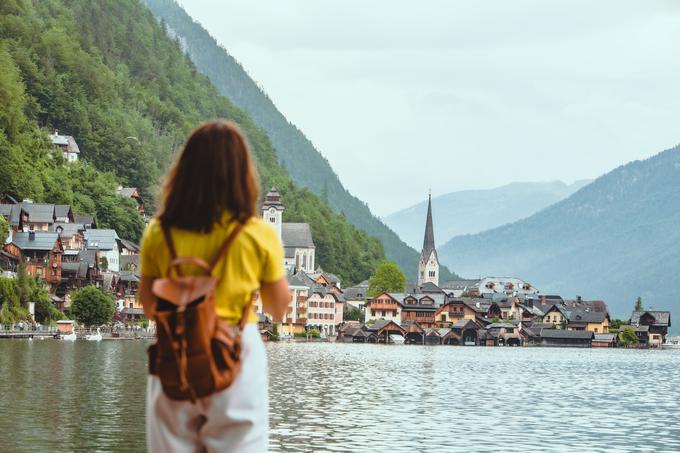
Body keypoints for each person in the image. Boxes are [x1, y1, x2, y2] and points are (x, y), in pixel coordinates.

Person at [139, 120, 290, 452]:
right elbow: (279, 309)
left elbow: (149, 305)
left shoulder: (158, 231)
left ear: (185, 172)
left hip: (175, 348)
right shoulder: (258, 234)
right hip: (236, 350)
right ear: (242, 175)